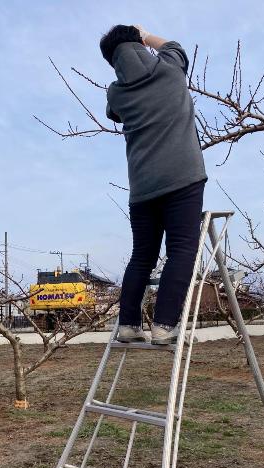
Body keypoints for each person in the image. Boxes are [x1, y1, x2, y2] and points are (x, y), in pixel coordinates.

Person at [100, 25, 208, 345]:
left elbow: (113, 113)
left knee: (142, 256)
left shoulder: (116, 92)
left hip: (142, 187)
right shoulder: (171, 70)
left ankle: (128, 325)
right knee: (182, 251)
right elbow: (175, 45)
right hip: (183, 177)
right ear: (138, 44)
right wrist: (146, 36)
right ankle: (163, 326)